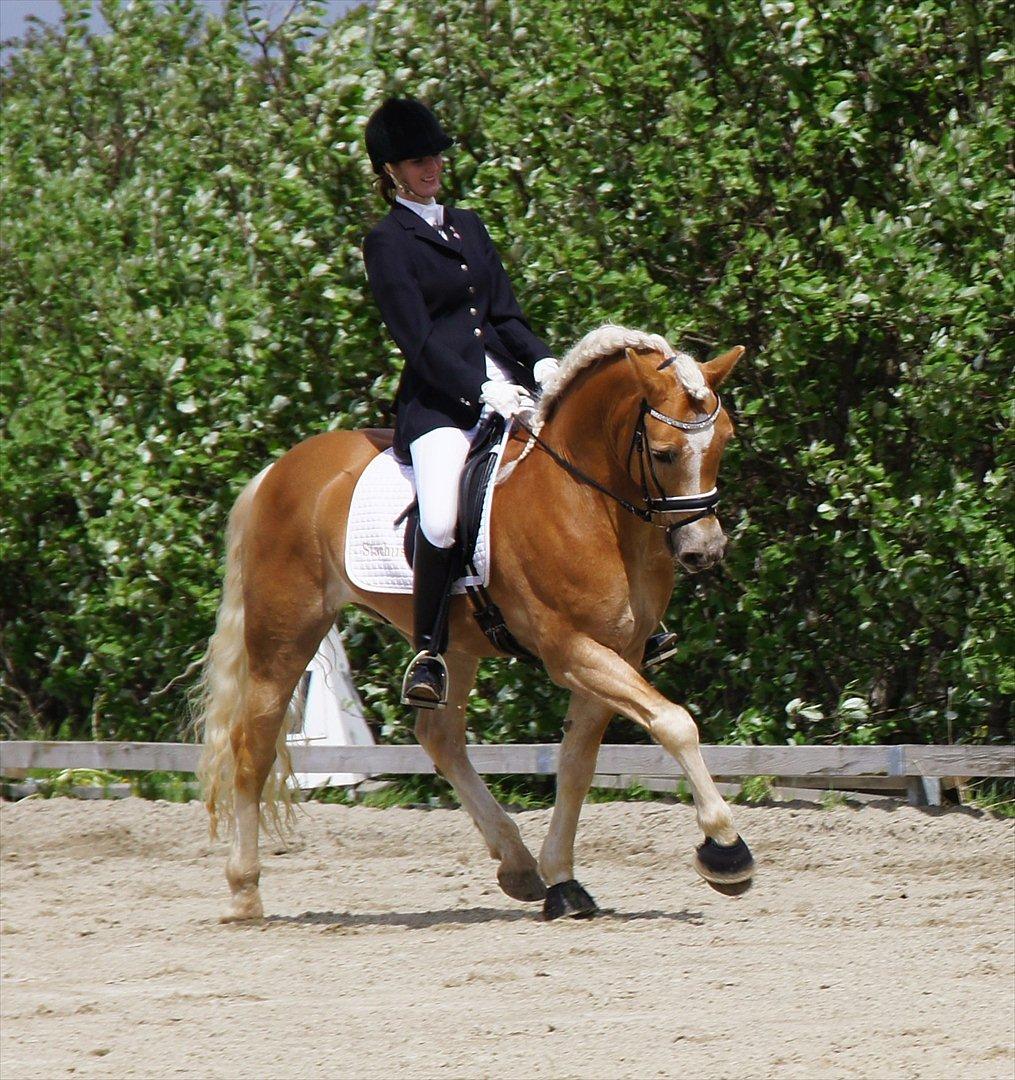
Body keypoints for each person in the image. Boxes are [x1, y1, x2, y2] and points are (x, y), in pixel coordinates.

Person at [362, 97, 675, 710]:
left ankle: (637, 617)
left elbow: (503, 316)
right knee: (444, 516)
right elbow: (416, 339)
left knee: (591, 472)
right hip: (442, 404)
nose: (433, 168)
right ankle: (428, 651)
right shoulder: (387, 242)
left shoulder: (468, 226)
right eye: (419, 161)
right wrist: (476, 389)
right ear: (392, 171)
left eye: (436, 157)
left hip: (512, 390)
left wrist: (541, 362)